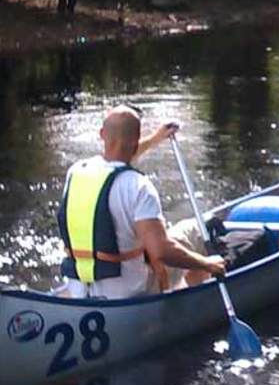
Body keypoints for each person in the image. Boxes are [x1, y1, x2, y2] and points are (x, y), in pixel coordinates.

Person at [56, 104, 225, 299]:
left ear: (102, 134)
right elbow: (161, 251)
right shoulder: (139, 187)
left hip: (80, 289)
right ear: (135, 142)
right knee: (196, 230)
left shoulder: (77, 172)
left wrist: (156, 139)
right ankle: (196, 300)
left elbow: (115, 161)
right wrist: (208, 264)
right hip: (130, 292)